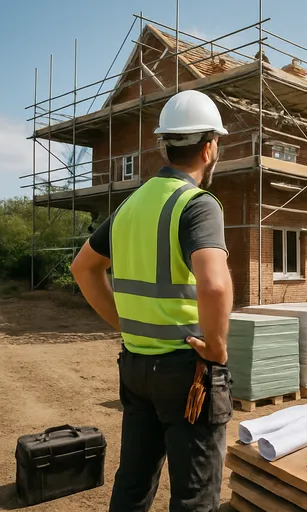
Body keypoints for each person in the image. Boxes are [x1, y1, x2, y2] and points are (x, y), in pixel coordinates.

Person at [70, 89, 235, 511]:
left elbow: (83, 268)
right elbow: (215, 285)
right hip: (186, 371)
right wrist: (216, 346)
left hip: (136, 367)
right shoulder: (197, 205)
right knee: (194, 496)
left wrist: (123, 323)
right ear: (210, 147)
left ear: (166, 144)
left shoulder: (129, 206)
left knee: (134, 483)